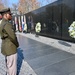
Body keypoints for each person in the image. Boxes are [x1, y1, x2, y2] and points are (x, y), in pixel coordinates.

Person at [0, 8, 19, 75]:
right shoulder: (7, 24)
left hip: (6, 48)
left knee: (9, 66)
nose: (11, 15)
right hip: (11, 48)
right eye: (10, 14)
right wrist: (17, 44)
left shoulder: (2, 23)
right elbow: (13, 37)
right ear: (5, 15)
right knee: (12, 68)